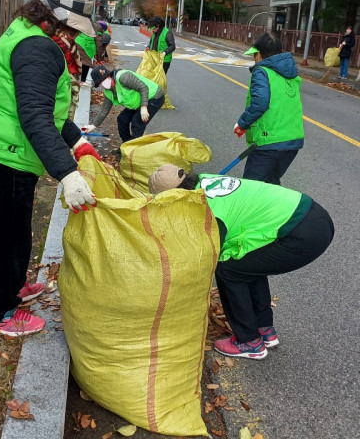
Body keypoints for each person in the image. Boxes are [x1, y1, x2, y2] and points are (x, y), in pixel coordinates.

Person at [0, 0, 101, 340]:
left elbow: (43, 110)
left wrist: (76, 141)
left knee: (17, 231)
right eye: (73, 29)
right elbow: (36, 117)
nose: (74, 36)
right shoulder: (39, 49)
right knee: (8, 238)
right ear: (58, 20)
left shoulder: (24, 31)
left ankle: (14, 288)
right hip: (2, 159)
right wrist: (68, 173)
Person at [148, 165, 334, 360]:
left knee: (228, 269)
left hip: (302, 235)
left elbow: (210, 252)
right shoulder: (203, 181)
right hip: (312, 214)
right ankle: (263, 328)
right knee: (245, 264)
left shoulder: (206, 209)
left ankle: (248, 341)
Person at [234, 32, 304, 185]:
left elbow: (260, 102)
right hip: (293, 142)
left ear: (259, 54)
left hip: (269, 142)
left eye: (254, 55)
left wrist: (242, 123)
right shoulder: (292, 75)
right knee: (270, 185)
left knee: (251, 188)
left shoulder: (262, 71)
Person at [84, 64, 164, 144]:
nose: (102, 84)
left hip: (154, 96)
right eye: (100, 83)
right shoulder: (108, 91)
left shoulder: (123, 77)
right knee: (122, 119)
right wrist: (93, 125)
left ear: (109, 76)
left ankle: (134, 148)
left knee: (137, 122)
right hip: (138, 101)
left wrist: (144, 107)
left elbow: (143, 88)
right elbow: (104, 110)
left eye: (104, 80)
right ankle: (126, 144)